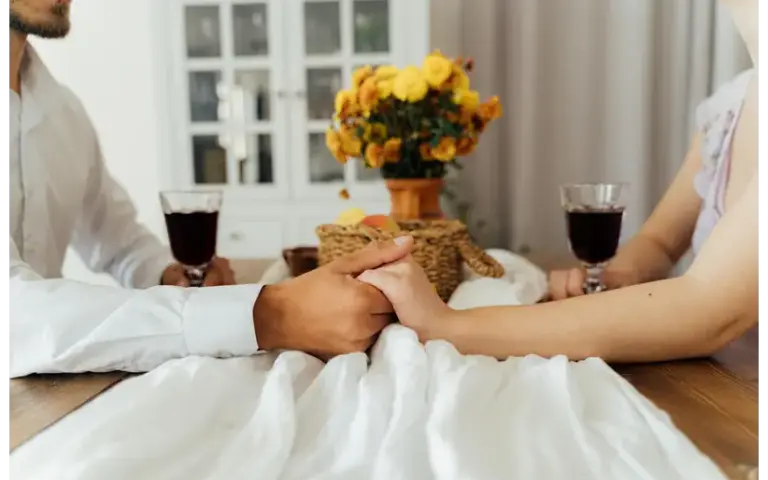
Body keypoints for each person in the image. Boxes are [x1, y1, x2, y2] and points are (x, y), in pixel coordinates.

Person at [7, 0, 411, 377]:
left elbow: (117, 240)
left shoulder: (63, 111)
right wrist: (267, 314)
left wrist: (171, 275)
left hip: (52, 395)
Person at [358, 0, 759, 363]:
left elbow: (709, 308)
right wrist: (615, 277)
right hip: (702, 384)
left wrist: (446, 326)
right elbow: (660, 243)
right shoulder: (729, 110)